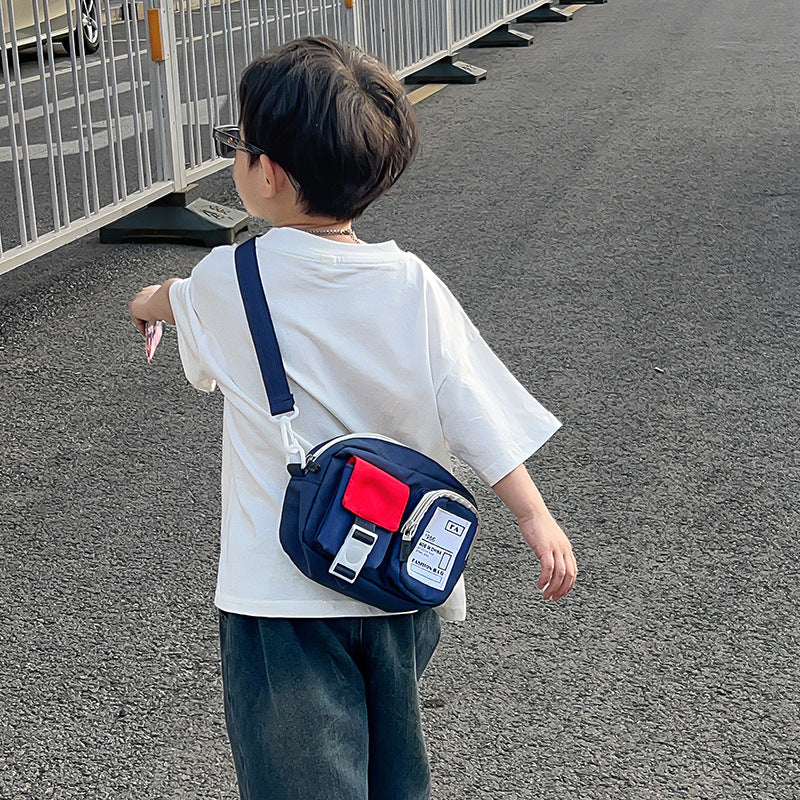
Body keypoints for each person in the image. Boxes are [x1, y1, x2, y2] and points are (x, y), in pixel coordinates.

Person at [129, 35, 576, 800]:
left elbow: (167, 297)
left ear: (264, 172)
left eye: (235, 143)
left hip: (282, 599)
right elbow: (473, 408)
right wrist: (536, 519)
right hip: (399, 581)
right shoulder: (412, 284)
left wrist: (143, 309)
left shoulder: (228, 282)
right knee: (395, 774)